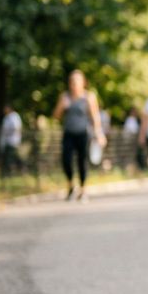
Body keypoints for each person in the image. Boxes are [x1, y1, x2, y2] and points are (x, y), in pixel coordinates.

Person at [53, 70, 106, 202]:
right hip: (69, 133)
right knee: (66, 160)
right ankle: (71, 186)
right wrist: (61, 106)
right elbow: (55, 116)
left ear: (83, 83)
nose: (74, 84)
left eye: (76, 81)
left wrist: (99, 133)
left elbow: (95, 116)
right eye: (71, 81)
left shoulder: (88, 97)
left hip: (83, 133)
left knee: (82, 161)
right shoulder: (65, 97)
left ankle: (83, 190)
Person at [0, 104, 23, 177]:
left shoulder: (14, 117)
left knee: (10, 159)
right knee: (7, 159)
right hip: (6, 142)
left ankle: (11, 173)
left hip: (12, 141)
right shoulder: (7, 117)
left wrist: (8, 133)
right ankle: (7, 174)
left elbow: (16, 128)